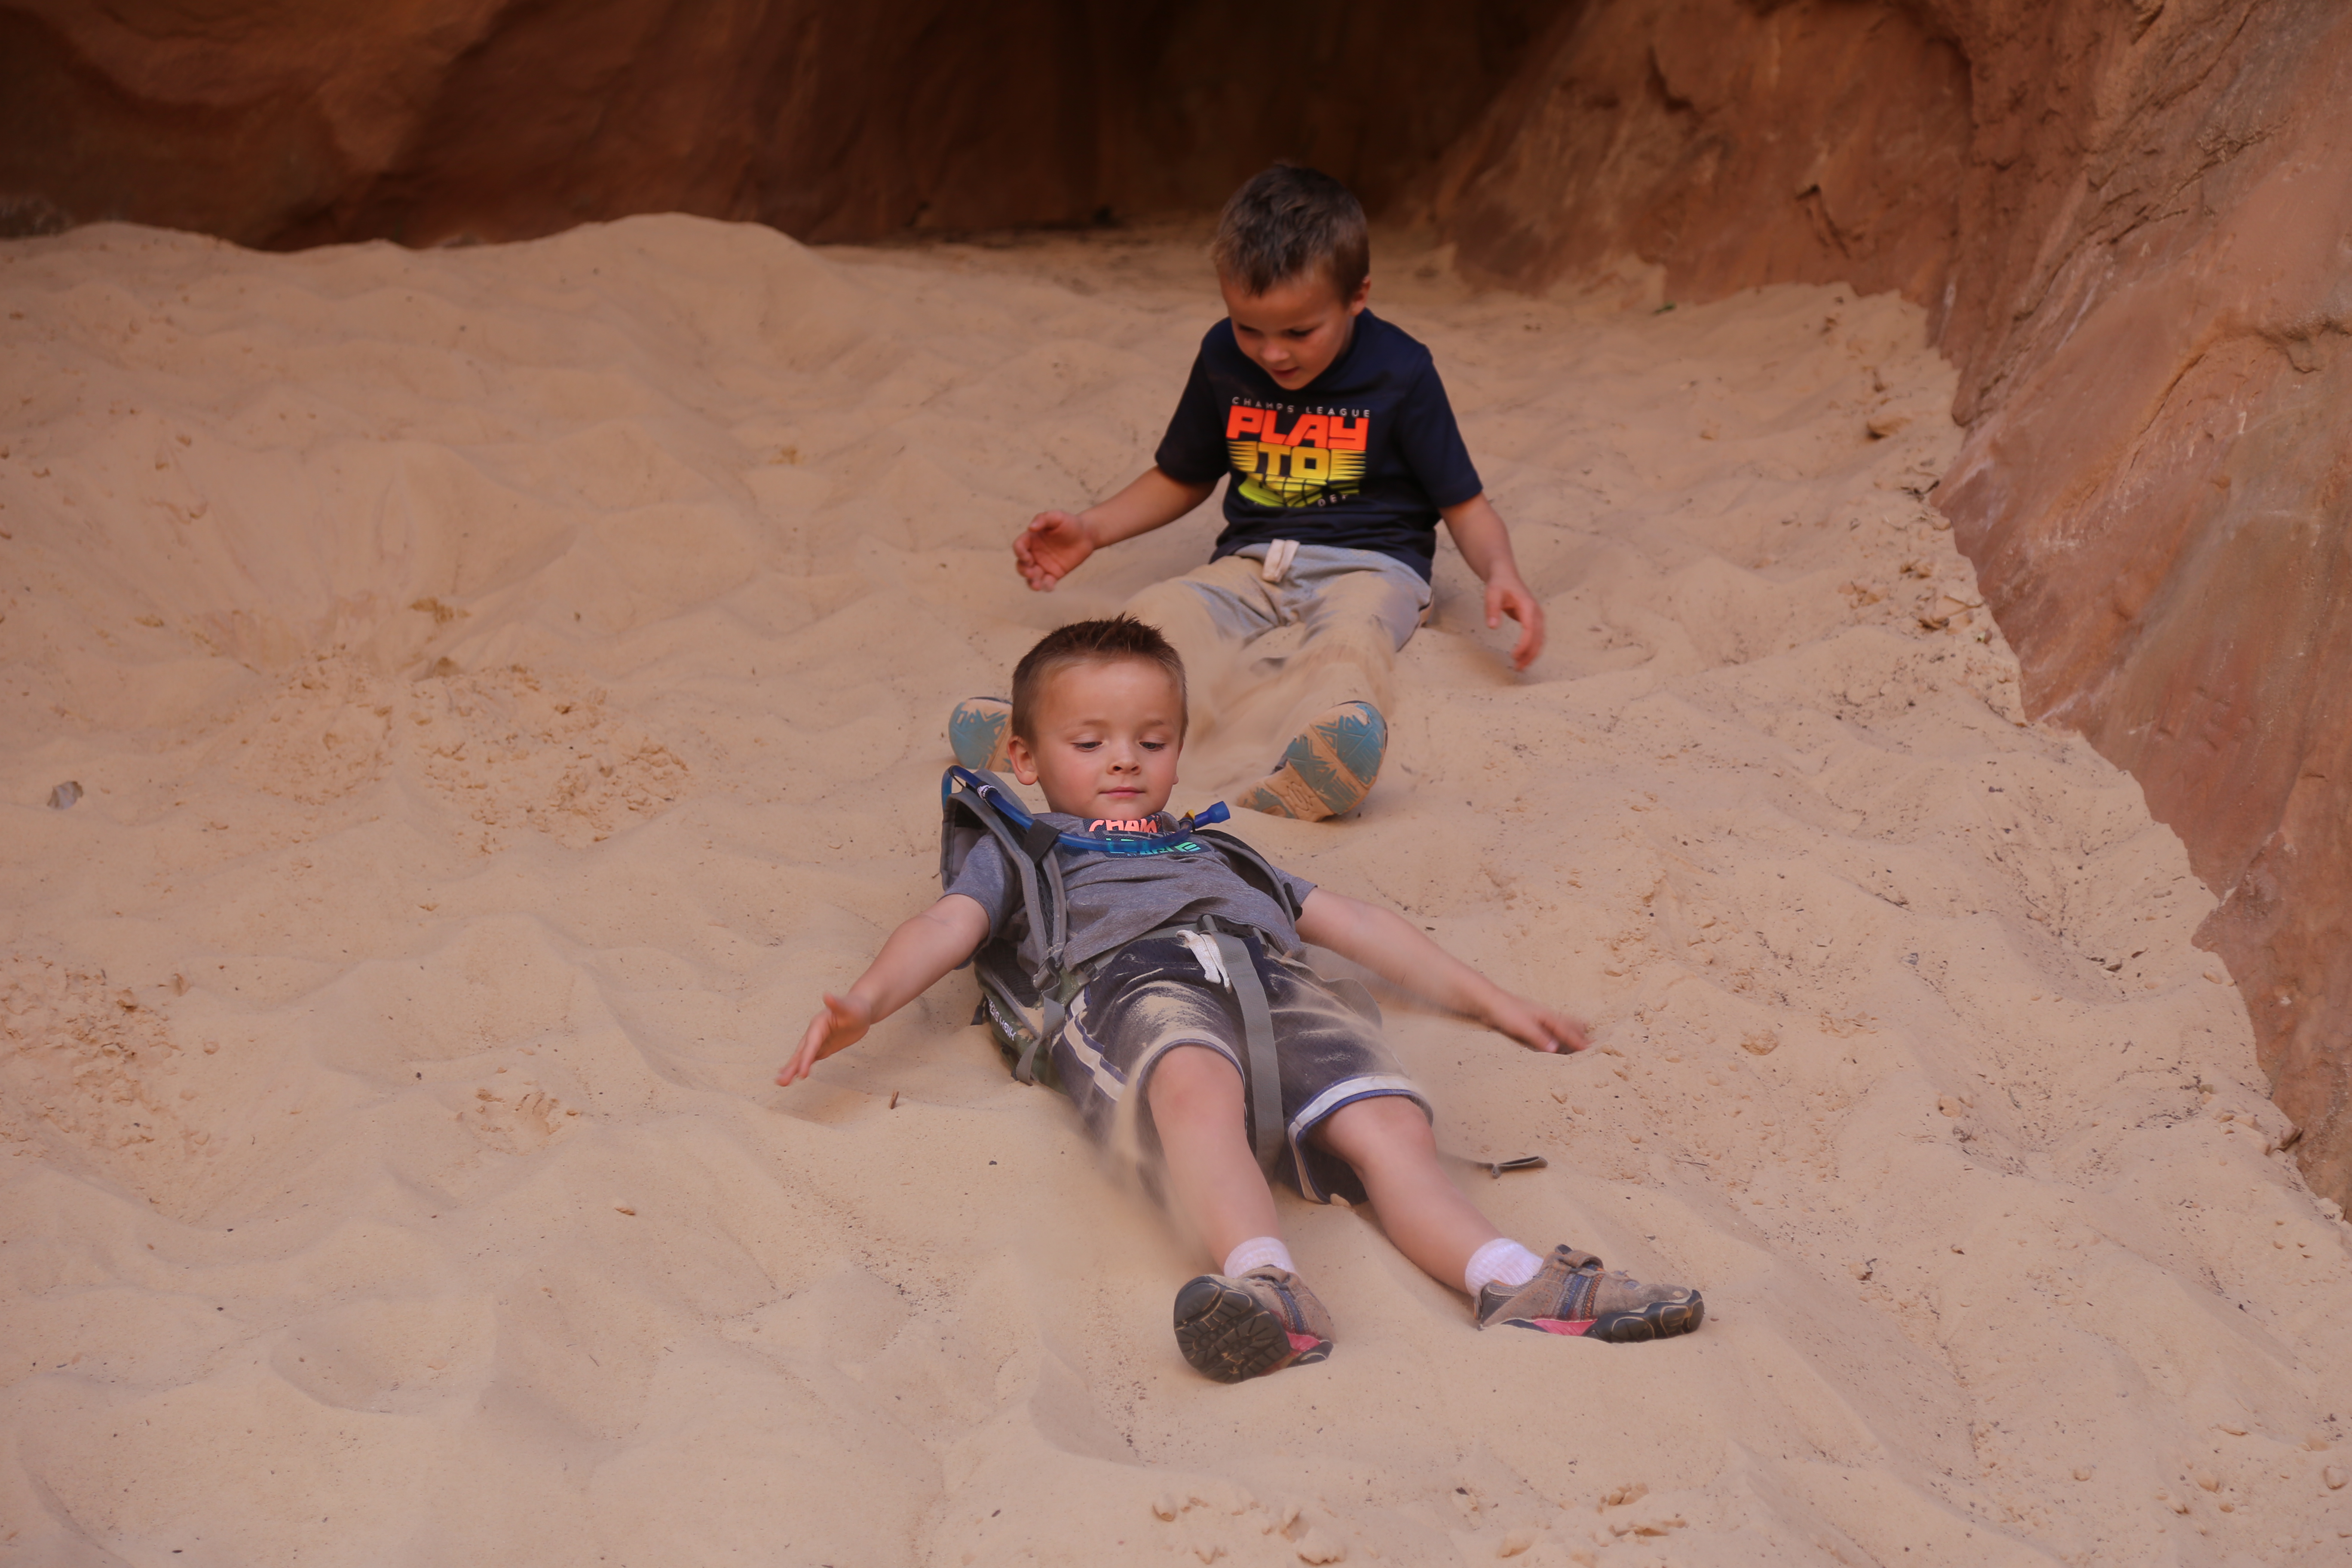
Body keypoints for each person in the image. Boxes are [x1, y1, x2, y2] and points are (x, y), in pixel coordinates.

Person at [797, 617, 1702, 1383]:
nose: (1125, 762)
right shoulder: (1030, 847)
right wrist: (867, 1002)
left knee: (1389, 1122)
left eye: (1152, 743)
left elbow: (1349, 920)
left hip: (1270, 985)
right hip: (1129, 987)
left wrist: (1492, 999)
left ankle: (1508, 1275)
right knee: (1194, 1085)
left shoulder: (1218, 850)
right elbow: (948, 925)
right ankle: (1267, 1284)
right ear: (1025, 758)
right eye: (1090, 743)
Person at [946, 164, 1547, 821]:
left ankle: (1312, 764)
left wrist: (1501, 571)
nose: (1272, 354)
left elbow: (1465, 504)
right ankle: (1052, 741)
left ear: (1357, 296)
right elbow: (1184, 474)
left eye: (1298, 332)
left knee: (1348, 640)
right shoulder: (1222, 358)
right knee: (1159, 615)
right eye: (1248, 328)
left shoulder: (1401, 371)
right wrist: (1092, 530)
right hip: (1252, 561)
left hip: (1372, 563)